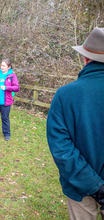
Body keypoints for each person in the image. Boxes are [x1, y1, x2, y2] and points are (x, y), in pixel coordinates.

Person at [47, 27, 104, 220]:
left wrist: (95, 187)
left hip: (79, 187)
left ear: (86, 59)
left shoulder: (65, 95)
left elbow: (60, 147)